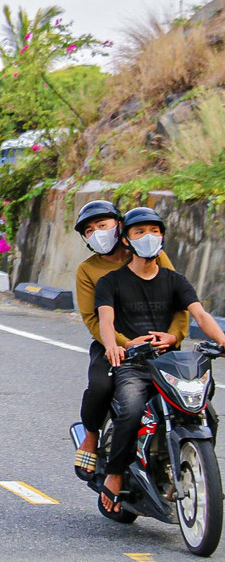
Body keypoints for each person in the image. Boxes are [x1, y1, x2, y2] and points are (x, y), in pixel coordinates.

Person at [94, 207, 225, 515]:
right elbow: (105, 320)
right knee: (131, 410)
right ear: (126, 239)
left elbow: (201, 315)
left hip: (170, 364)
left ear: (162, 236)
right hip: (134, 364)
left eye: (154, 231)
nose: (148, 237)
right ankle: (114, 475)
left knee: (207, 413)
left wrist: (222, 341)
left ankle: (198, 471)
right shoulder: (111, 282)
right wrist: (114, 347)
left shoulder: (175, 280)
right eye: (139, 232)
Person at [71, 200, 186, 480]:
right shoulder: (88, 271)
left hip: (161, 344)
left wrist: (174, 336)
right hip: (114, 345)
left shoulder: (153, 255)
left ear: (120, 226)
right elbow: (93, 319)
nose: (97, 232)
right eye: (89, 230)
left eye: (102, 225)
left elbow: (181, 301)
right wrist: (122, 343)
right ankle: (91, 436)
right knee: (100, 385)